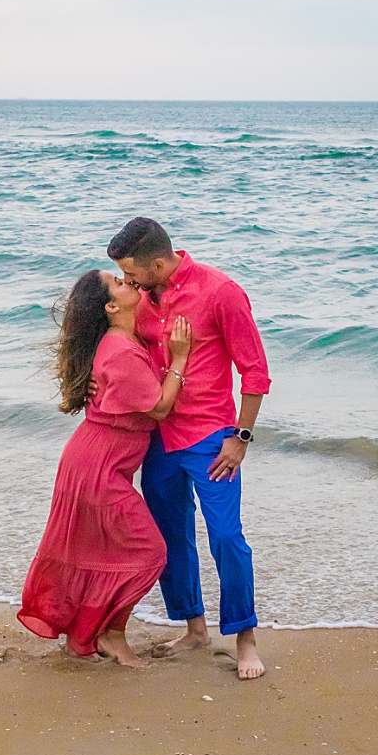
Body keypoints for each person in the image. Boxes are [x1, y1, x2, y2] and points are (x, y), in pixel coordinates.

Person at [108, 217, 270, 680]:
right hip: (158, 439)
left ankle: (245, 639)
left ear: (157, 262)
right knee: (170, 536)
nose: (129, 281)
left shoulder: (221, 292)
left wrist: (240, 439)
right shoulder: (142, 299)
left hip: (210, 440)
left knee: (226, 537)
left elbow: (255, 373)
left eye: (132, 272)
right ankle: (194, 628)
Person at [18, 270, 191, 667]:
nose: (132, 284)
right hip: (99, 467)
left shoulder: (125, 338)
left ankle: (83, 638)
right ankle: (111, 634)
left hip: (95, 459)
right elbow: (161, 407)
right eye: (120, 283)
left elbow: (156, 275)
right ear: (111, 307)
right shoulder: (121, 351)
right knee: (149, 552)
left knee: (103, 551)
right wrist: (180, 358)